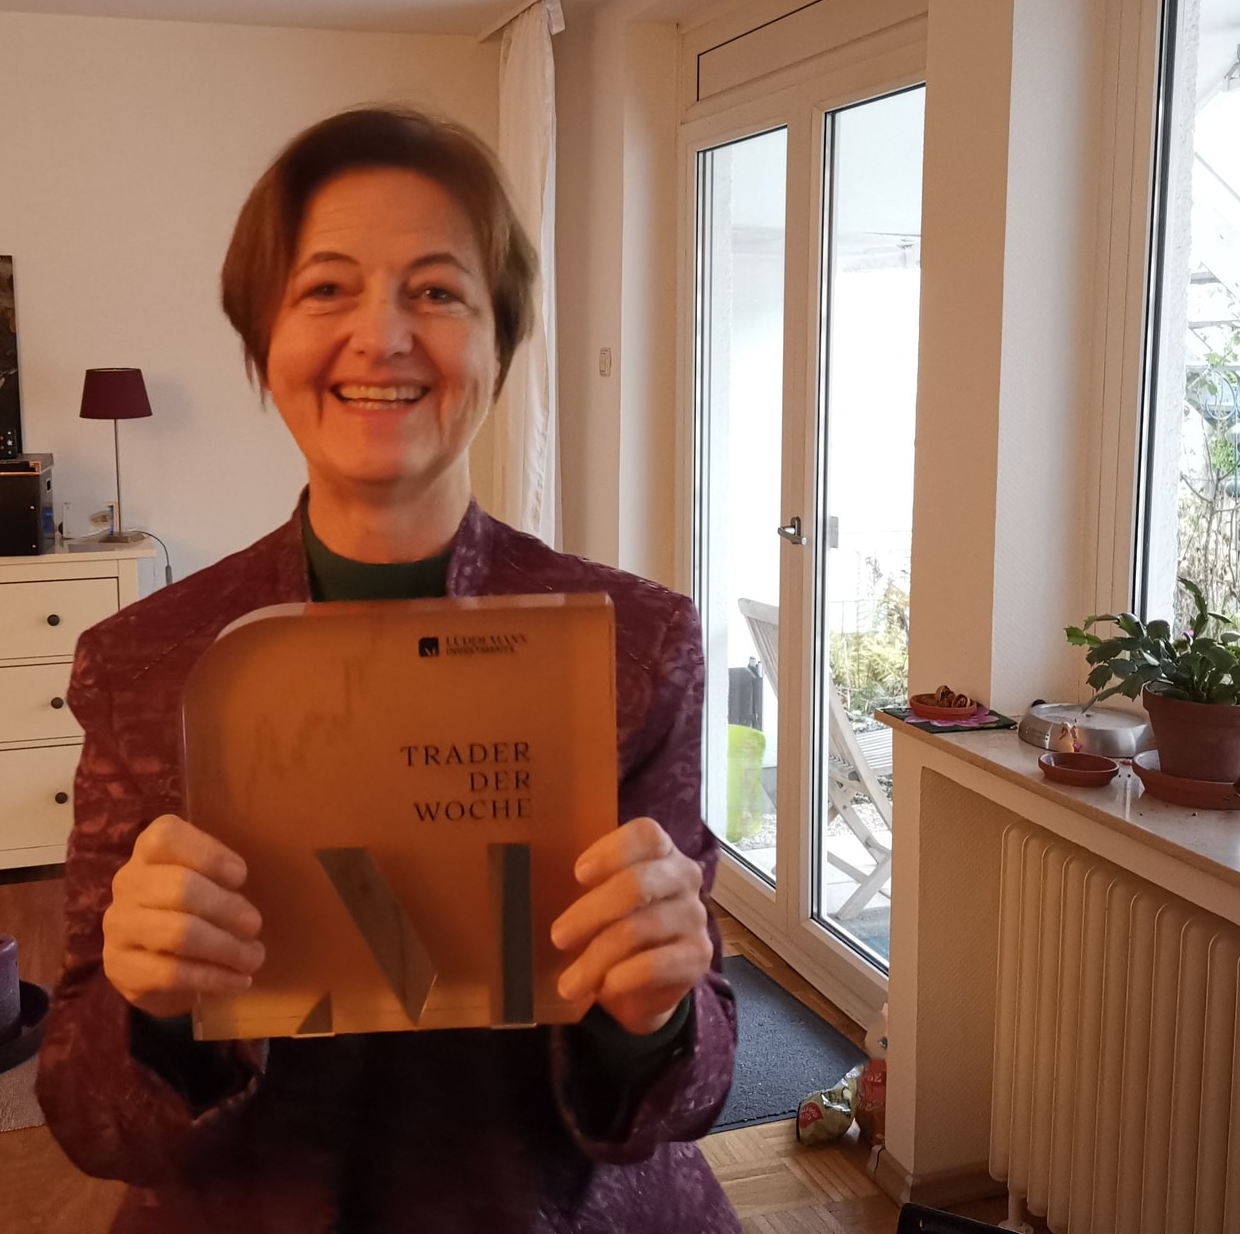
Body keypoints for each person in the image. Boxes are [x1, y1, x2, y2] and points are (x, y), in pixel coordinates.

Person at [37, 106, 739, 1232]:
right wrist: (152, 1008)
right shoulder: (145, 665)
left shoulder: (636, 642)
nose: (383, 335)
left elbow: (689, 1095)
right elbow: (89, 1119)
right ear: (262, 342)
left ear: (500, 346)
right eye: (326, 289)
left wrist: (656, 1013)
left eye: (438, 292)